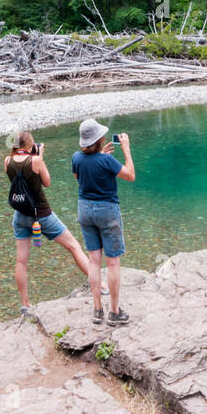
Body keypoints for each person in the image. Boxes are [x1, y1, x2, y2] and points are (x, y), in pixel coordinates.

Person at [5, 130, 91, 311]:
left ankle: (25, 304)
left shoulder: (7, 161)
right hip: (42, 215)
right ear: (30, 145)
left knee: (21, 261)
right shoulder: (35, 160)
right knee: (74, 246)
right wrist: (40, 156)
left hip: (20, 215)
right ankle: (100, 285)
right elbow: (47, 182)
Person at [72, 119, 135, 327]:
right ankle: (115, 312)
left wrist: (102, 160)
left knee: (93, 260)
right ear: (99, 140)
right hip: (106, 210)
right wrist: (126, 150)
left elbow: (79, 176)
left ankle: (97, 310)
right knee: (113, 261)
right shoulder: (106, 162)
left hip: (84, 209)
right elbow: (130, 175)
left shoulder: (77, 158)